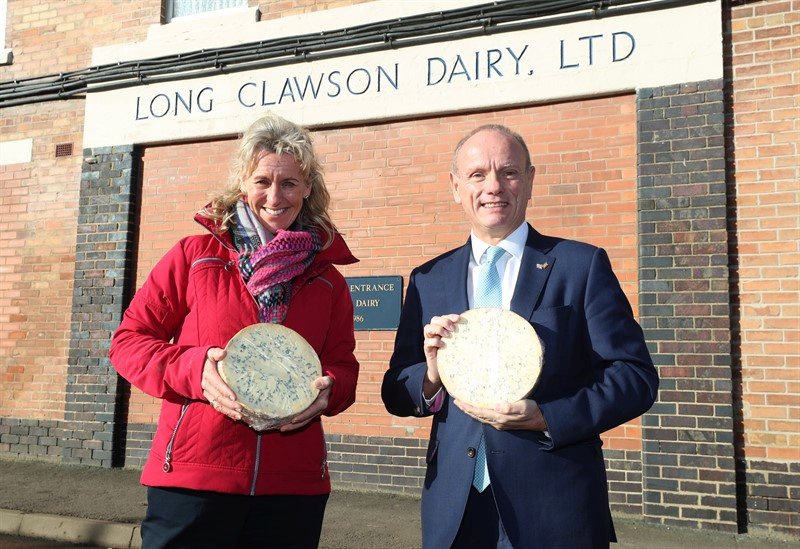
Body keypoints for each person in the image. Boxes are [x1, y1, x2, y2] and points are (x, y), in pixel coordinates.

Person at [381, 124, 659, 548]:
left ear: (529, 181)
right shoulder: (428, 279)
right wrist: (432, 376)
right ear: (456, 187)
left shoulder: (580, 267)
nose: (493, 186)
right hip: (455, 511)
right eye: (477, 175)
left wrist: (547, 416)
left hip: (554, 508)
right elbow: (396, 390)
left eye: (508, 172)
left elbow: (634, 377)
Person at [109, 112, 359, 548]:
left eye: (290, 183)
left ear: (308, 190)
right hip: (194, 479)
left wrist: (329, 389)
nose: (275, 195)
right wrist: (194, 369)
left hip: (291, 487)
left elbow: (343, 366)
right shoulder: (195, 256)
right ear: (243, 183)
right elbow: (128, 343)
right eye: (263, 180)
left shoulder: (328, 279)